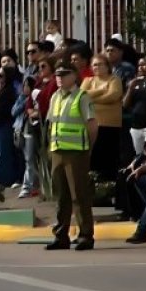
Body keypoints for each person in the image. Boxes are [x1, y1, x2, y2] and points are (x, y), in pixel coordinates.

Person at [45, 62, 98, 251]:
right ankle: (61, 236)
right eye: (57, 74)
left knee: (79, 195)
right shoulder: (55, 97)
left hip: (76, 152)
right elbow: (52, 124)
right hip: (57, 150)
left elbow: (92, 125)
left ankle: (85, 236)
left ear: (74, 76)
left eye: (64, 74)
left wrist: (88, 149)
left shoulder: (81, 97)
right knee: (61, 196)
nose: (59, 77)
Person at [81, 54, 125, 182]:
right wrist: (101, 90)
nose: (97, 67)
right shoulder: (88, 81)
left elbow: (113, 96)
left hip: (111, 126)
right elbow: (82, 96)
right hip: (92, 125)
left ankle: (109, 189)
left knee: (109, 158)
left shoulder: (114, 80)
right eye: (95, 64)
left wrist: (93, 100)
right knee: (94, 157)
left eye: (100, 64)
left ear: (107, 66)